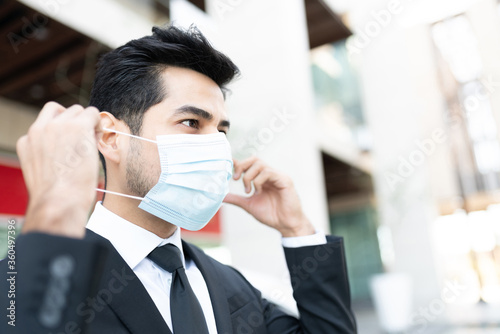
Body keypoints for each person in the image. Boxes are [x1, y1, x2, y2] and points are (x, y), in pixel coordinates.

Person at [1, 25, 356, 333]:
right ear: (111, 138)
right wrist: (56, 207)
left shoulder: (233, 286)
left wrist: (298, 231)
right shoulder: (22, 282)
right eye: (191, 123)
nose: (217, 146)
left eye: (221, 130)